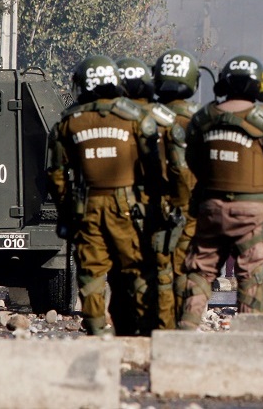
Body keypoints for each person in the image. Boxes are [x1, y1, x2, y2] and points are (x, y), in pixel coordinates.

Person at [176, 55, 263, 328]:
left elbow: (191, 158)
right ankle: (250, 332)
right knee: (250, 273)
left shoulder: (205, 116)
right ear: (259, 86)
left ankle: (185, 327)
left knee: (200, 269)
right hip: (252, 211)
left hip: (210, 206)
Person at [47, 55, 161, 336]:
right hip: (129, 206)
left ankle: (97, 331)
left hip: (87, 205)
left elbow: (56, 174)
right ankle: (140, 331)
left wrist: (66, 209)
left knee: (91, 272)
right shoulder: (136, 117)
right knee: (134, 268)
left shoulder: (68, 122)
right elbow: (154, 169)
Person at [116, 56, 182, 331]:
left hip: (116, 205)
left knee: (120, 273)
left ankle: (126, 332)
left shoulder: (101, 116)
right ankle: (163, 332)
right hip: (154, 206)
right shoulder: (162, 117)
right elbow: (180, 167)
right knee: (161, 271)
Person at [153, 48, 202, 323]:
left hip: (147, 206)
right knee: (186, 269)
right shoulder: (201, 119)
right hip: (190, 208)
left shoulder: (142, 116)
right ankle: (181, 325)